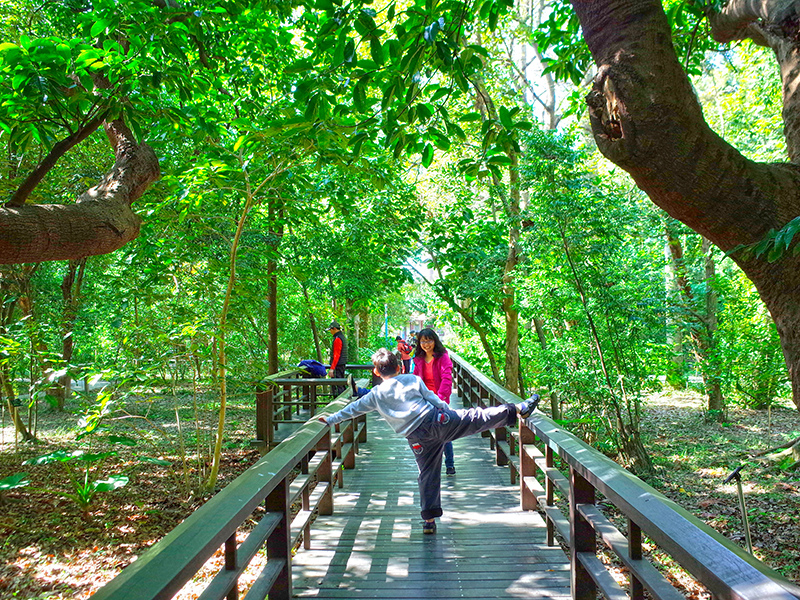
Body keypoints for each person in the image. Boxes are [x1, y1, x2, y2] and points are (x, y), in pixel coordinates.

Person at [319, 348, 539, 534]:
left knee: (428, 474)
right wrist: (447, 410)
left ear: (376, 372)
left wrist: (329, 420)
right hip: (437, 420)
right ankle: (518, 410)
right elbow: (432, 398)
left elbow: (351, 410)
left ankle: (429, 520)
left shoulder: (375, 395)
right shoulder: (411, 378)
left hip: (416, 438)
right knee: (476, 417)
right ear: (399, 367)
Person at [413, 328, 456, 476]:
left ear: (435, 341)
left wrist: (440, 399)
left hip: (439, 399)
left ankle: (449, 463)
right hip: (424, 400)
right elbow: (415, 379)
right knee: (424, 431)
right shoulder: (418, 358)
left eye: (429, 340)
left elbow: (447, 377)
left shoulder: (442, 356)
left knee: (443, 431)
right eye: (423, 341)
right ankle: (428, 464)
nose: (426, 344)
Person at [328, 321, 348, 396]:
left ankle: (339, 404)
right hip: (341, 365)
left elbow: (336, 355)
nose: (330, 331)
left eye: (331, 329)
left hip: (338, 366)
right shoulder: (342, 337)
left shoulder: (338, 339)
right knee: (340, 384)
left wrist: (332, 369)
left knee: (338, 385)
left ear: (335, 329)